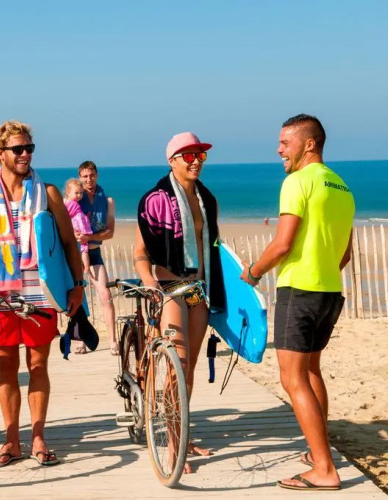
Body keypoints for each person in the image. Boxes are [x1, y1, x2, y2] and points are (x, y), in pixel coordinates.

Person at [241, 114, 353, 491]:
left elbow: (282, 244)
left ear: (309, 144)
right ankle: (319, 452)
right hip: (329, 291)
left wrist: (253, 272)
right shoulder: (341, 186)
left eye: (285, 143)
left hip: (299, 291)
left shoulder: (297, 182)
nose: (278, 150)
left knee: (292, 378)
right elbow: (345, 253)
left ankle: (323, 469)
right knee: (311, 371)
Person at [0, 120, 84, 468]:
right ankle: (11, 441)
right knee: (7, 368)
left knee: (38, 365)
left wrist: (77, 285)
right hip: (2, 295)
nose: (25, 154)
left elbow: (69, 242)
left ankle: (37, 438)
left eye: (29, 148)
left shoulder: (47, 193)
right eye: (18, 149)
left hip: (41, 291)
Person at [134, 132, 225, 472]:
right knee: (178, 364)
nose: (196, 160)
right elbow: (141, 255)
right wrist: (150, 285)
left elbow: (213, 248)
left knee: (189, 368)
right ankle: (174, 444)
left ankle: (182, 434)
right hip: (170, 288)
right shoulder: (155, 200)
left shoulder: (207, 199)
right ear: (172, 161)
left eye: (200, 154)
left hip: (197, 289)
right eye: (188, 155)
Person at [77, 161, 117, 354]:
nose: (88, 180)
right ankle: (82, 340)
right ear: (80, 178)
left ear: (97, 176)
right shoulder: (75, 199)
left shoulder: (108, 202)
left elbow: (109, 232)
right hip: (76, 254)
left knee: (106, 295)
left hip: (94, 253)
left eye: (91, 175)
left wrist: (89, 237)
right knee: (78, 297)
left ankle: (113, 341)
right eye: (85, 176)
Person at [63, 178, 93, 354]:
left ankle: (80, 337)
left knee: (78, 301)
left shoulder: (72, 207)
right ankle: (79, 337)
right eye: (76, 193)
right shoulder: (70, 206)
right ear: (68, 193)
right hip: (72, 252)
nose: (79, 196)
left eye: (81, 193)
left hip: (78, 248)